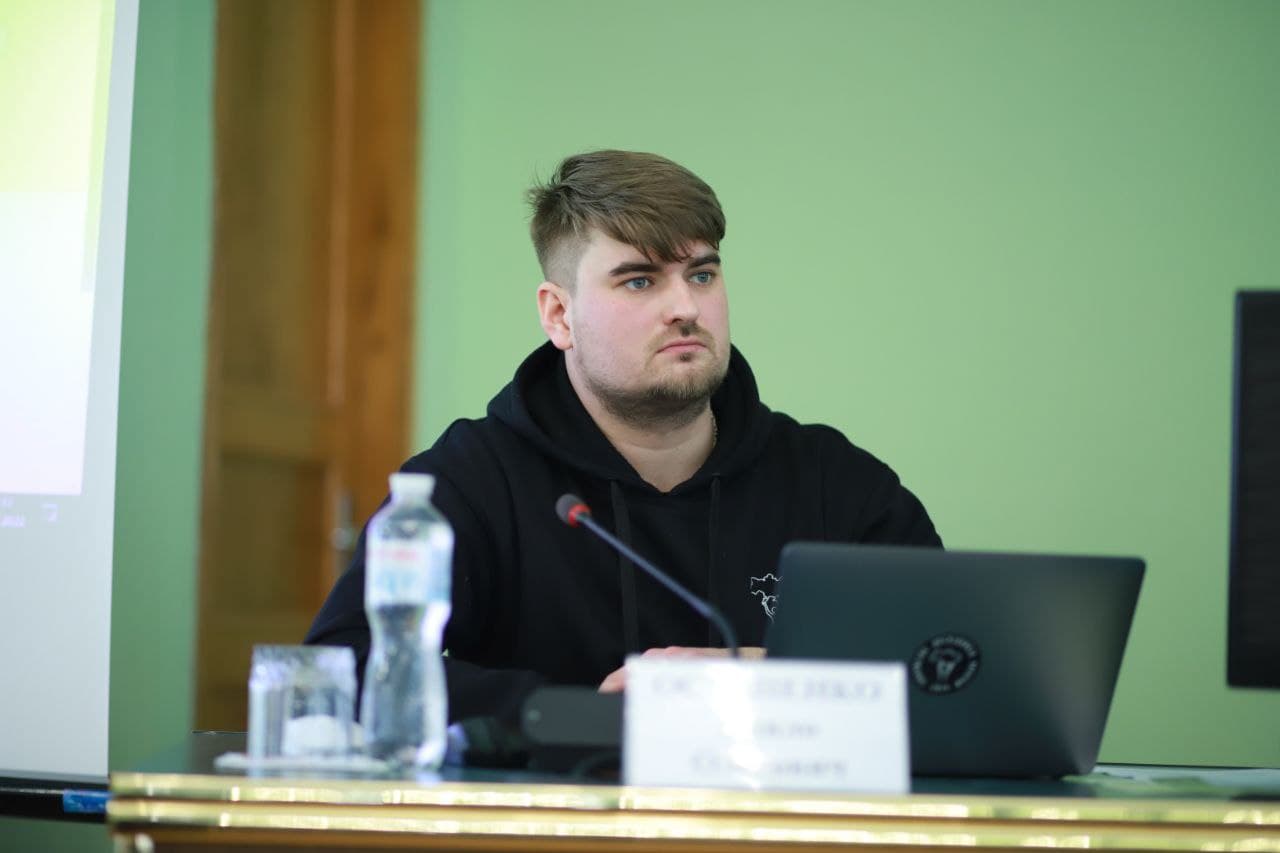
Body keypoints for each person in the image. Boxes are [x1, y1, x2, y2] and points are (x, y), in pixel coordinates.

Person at [306, 149, 941, 724]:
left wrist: (758, 672)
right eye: (640, 280)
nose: (685, 307)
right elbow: (344, 668)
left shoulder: (835, 480)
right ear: (559, 315)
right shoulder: (472, 480)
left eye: (702, 274)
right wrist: (578, 714)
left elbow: (949, 662)